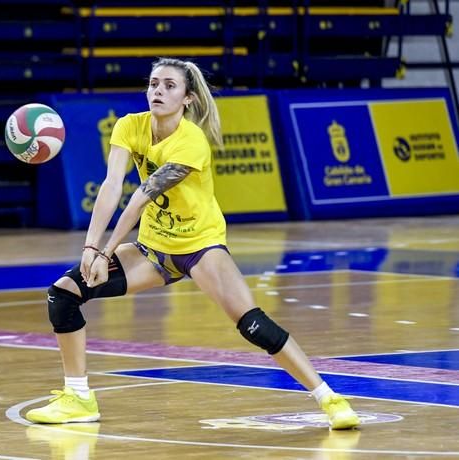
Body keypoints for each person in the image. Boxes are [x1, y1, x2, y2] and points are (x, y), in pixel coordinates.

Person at [26, 57, 360, 430]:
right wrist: (90, 250)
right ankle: (78, 398)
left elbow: (140, 198)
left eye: (169, 85)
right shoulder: (129, 126)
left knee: (253, 324)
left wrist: (105, 252)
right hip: (153, 250)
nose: (158, 91)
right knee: (65, 293)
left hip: (200, 247)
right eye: (154, 84)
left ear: (187, 98)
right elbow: (111, 187)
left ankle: (329, 398)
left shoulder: (191, 142)